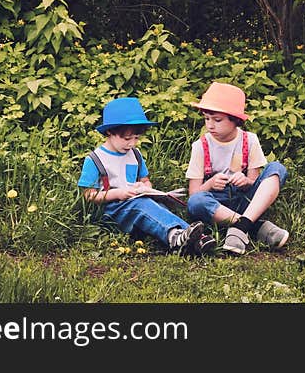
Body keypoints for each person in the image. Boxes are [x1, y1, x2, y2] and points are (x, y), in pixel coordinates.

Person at [78, 96, 215, 256]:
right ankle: (176, 238)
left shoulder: (135, 154)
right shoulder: (95, 159)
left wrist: (144, 188)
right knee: (141, 206)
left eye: (136, 138)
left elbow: (145, 180)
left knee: (158, 208)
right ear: (109, 131)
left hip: (134, 204)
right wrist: (117, 193)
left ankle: (192, 239)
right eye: (127, 138)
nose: (132, 144)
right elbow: (88, 195)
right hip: (112, 211)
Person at [185, 81, 289, 255]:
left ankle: (242, 225)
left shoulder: (249, 140)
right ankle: (250, 225)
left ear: (235, 120)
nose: (210, 125)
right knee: (197, 202)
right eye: (206, 118)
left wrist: (246, 182)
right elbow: (194, 193)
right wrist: (210, 184)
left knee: (277, 168)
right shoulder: (200, 146)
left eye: (217, 120)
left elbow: (254, 183)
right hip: (217, 205)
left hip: (245, 200)